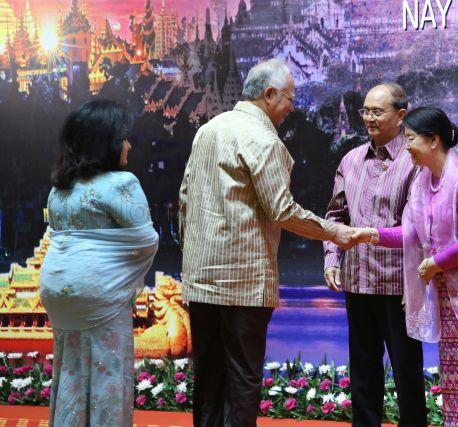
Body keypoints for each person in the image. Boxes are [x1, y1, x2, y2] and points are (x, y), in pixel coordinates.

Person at [179, 58, 354, 427]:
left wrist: (194, 256)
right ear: (268, 94)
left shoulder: (207, 130)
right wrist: (334, 232)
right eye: (289, 98)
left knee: (208, 378)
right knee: (243, 377)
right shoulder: (263, 139)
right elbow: (283, 211)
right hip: (244, 282)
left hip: (201, 279)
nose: (292, 107)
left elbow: (184, 200)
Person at [353, 107, 458, 426]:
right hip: (447, 280)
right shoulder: (422, 183)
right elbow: (411, 233)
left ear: (434, 141)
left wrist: (434, 262)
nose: (406, 146)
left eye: (411, 139)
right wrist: (371, 234)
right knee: (457, 367)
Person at [40, 99, 159, 426]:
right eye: (123, 137)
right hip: (100, 297)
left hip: (58, 296)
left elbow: (61, 239)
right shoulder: (121, 184)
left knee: (70, 376)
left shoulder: (59, 189)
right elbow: (146, 242)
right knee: (108, 378)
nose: (128, 145)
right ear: (106, 142)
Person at [323, 83, 426, 426]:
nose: (369, 118)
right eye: (365, 111)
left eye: (377, 112)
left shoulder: (414, 163)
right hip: (358, 281)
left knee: (406, 371)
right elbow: (336, 217)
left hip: (398, 285)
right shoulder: (351, 160)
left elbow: (417, 228)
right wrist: (331, 258)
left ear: (401, 115)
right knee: (363, 372)